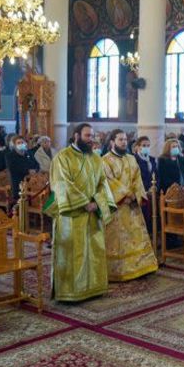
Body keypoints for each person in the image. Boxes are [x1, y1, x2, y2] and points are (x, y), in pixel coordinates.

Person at [47, 123, 115, 302]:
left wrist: (97, 203)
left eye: (92, 136)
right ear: (76, 136)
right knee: (73, 253)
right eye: (87, 136)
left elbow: (103, 183)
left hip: (93, 212)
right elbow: (61, 183)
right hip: (72, 213)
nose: (91, 139)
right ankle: (71, 292)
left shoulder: (95, 158)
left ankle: (94, 288)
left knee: (94, 250)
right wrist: (84, 203)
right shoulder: (62, 157)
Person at [101, 130, 158, 282]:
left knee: (136, 235)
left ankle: (141, 267)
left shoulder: (131, 159)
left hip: (132, 205)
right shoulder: (105, 161)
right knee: (119, 239)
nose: (124, 142)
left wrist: (136, 195)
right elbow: (108, 181)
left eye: (125, 139)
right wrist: (125, 195)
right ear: (112, 142)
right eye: (120, 140)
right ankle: (119, 270)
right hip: (117, 207)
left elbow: (137, 180)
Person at [6, 135, 40, 202]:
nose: (21, 144)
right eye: (18, 143)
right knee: (19, 203)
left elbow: (37, 164)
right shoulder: (10, 155)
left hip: (32, 181)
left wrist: (35, 170)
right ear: (14, 145)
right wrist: (28, 171)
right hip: (19, 182)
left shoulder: (29, 153)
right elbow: (13, 168)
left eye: (22, 142)